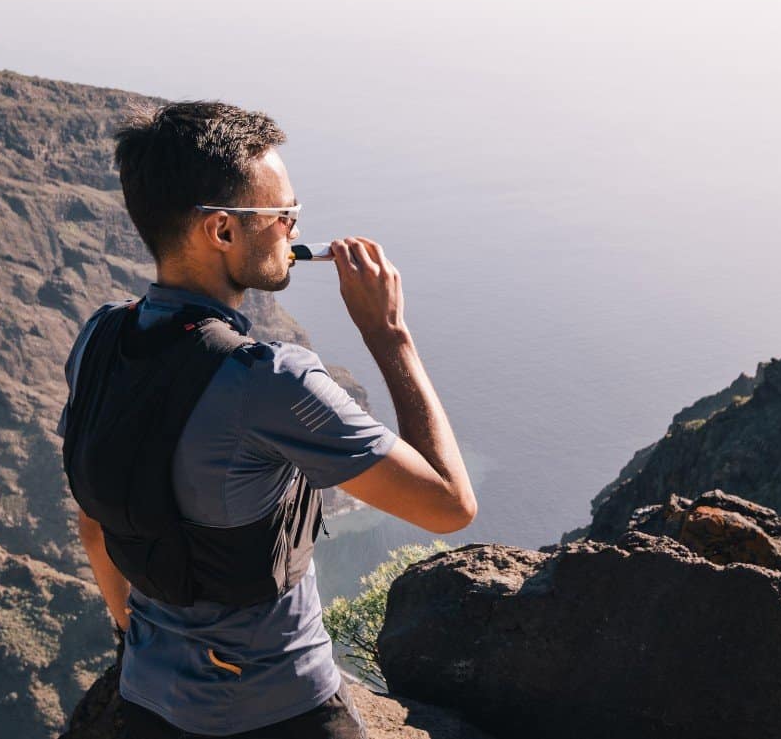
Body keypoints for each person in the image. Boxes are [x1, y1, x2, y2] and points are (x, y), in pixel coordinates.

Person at [57, 101, 477, 739]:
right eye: (281, 214)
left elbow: (95, 523)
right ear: (222, 230)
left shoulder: (99, 338)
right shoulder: (267, 380)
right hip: (279, 707)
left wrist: (132, 634)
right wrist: (390, 335)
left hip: (148, 698)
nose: (291, 227)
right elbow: (449, 506)